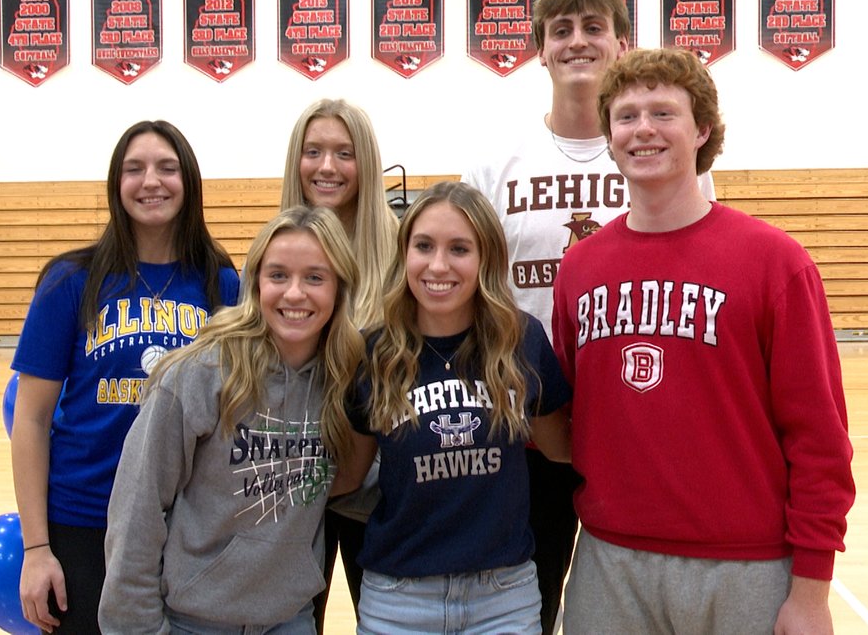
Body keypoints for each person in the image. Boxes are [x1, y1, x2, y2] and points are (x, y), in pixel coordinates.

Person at [550, 47, 856, 634]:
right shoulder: (580, 268)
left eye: (663, 113)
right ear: (609, 136)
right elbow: (563, 417)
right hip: (609, 561)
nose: (643, 129)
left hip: (745, 568)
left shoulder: (774, 262)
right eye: (626, 115)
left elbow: (820, 438)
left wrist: (812, 592)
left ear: (702, 131)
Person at [460, 0, 713, 633]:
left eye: (593, 27)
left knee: (637, 594)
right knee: (531, 593)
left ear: (621, 43)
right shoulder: (495, 161)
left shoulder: (654, 144)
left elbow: (697, 269)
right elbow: (472, 291)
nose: (578, 42)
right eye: (561, 30)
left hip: (636, 410)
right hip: (525, 422)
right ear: (539, 51)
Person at [10, 119, 241, 634]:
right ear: (117, 185)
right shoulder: (71, 281)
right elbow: (30, 418)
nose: (150, 181)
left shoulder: (221, 284)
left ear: (190, 182)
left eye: (166, 167)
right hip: (84, 519)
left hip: (183, 524)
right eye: (134, 169)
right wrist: (37, 548)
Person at [99, 205, 368, 633]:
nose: (294, 293)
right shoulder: (198, 375)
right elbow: (137, 512)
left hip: (290, 620)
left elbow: (355, 478)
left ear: (339, 288)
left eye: (315, 277)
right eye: (278, 275)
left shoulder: (345, 379)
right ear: (255, 283)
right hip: (193, 621)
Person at [340, 181, 573, 635]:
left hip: (503, 597)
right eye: (423, 246)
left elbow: (561, 448)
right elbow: (348, 475)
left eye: (459, 249)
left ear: (485, 257)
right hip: (397, 597)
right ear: (404, 253)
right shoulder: (374, 351)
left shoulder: (521, 341)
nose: (438, 265)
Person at [280, 98, 399, 632]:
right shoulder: (274, 252)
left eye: (343, 153)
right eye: (314, 152)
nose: (327, 167)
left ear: (365, 163)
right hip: (291, 494)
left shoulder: (401, 251)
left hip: (377, 498)